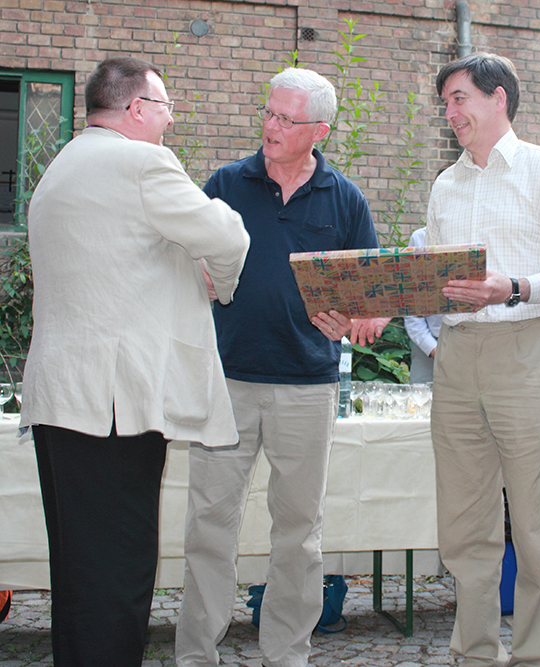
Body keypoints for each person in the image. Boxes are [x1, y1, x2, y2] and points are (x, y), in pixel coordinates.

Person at [19, 56, 249, 666]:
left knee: (78, 574)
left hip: (61, 398)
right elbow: (229, 235)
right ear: (137, 109)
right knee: (119, 577)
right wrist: (215, 282)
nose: (170, 122)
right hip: (112, 406)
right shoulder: (140, 161)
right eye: (166, 108)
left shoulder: (62, 164)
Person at [174, 67, 386, 667]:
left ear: (318, 130)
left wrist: (357, 319)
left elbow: (371, 302)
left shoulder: (345, 199)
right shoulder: (225, 182)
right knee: (209, 525)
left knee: (299, 533)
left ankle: (286, 655)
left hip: (306, 387)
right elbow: (187, 262)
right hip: (228, 380)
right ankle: (195, 654)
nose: (269, 126)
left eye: (285, 119)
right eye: (268, 113)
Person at [425, 52, 540, 667]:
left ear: (499, 99)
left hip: (527, 348)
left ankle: (532, 655)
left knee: (533, 522)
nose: (450, 112)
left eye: (459, 97)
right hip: (458, 352)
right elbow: (438, 279)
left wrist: (514, 287)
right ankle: (474, 654)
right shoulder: (445, 183)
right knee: (464, 524)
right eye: (445, 101)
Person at [403, 227, 443, 384]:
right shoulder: (420, 239)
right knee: (420, 402)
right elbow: (410, 301)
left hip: (474, 343)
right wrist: (433, 349)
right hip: (428, 344)